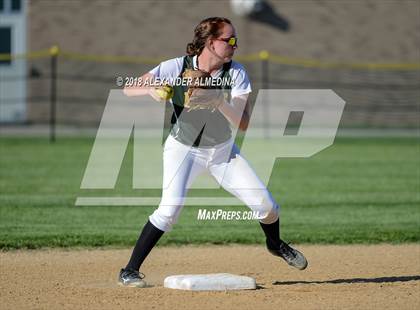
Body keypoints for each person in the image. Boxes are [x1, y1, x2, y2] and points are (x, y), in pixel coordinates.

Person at [119, 17, 307, 288]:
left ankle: (275, 245)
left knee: (266, 207)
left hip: (223, 153)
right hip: (183, 150)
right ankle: (129, 270)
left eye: (235, 40)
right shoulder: (178, 66)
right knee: (169, 211)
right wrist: (152, 90)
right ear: (210, 42)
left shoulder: (236, 72)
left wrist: (218, 100)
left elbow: (243, 123)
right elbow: (128, 87)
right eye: (228, 40)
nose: (234, 45)